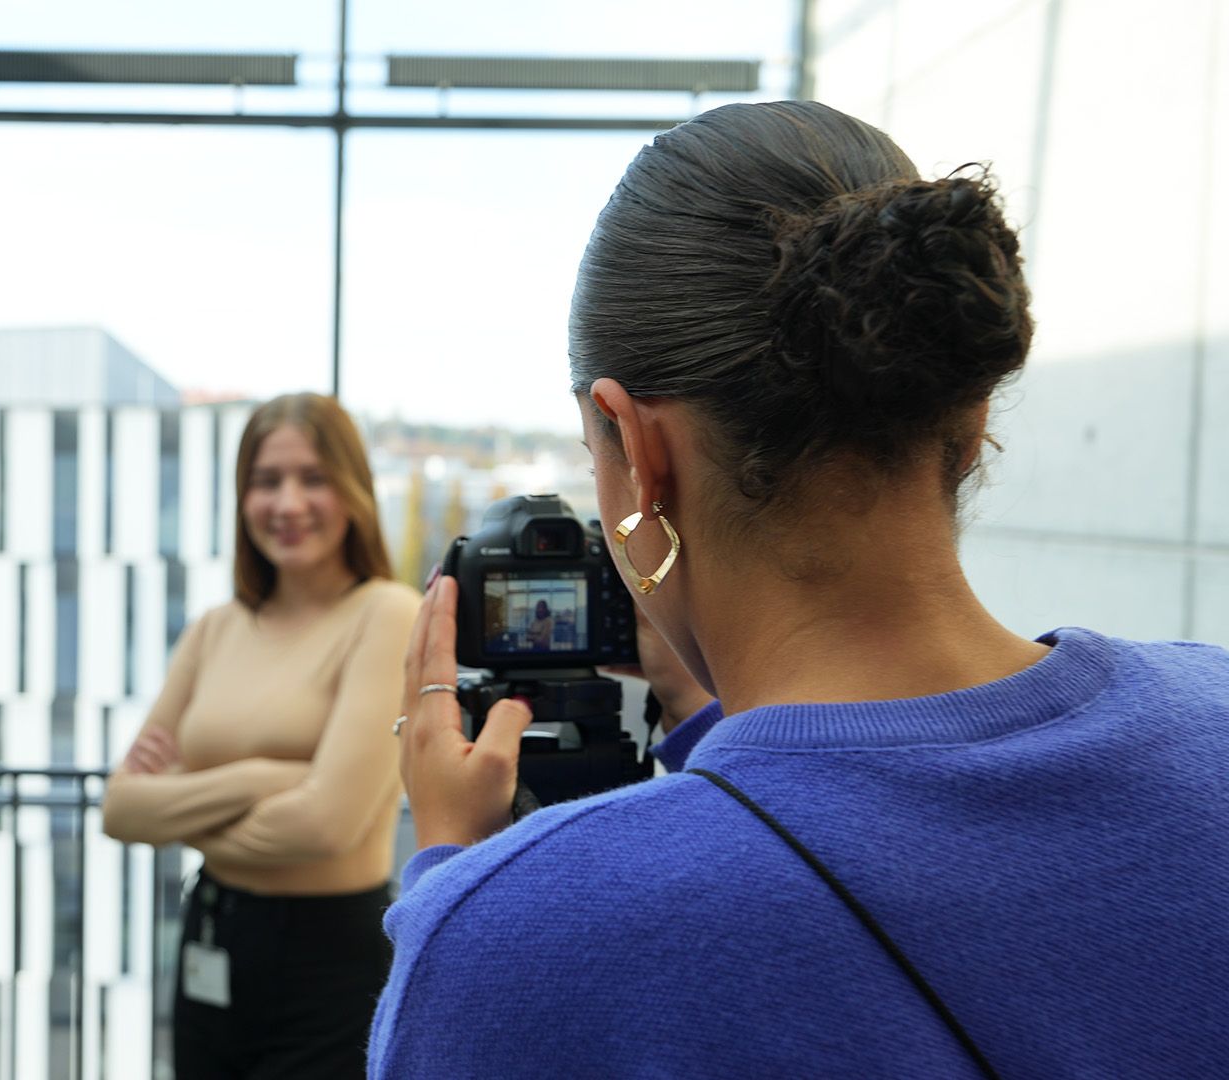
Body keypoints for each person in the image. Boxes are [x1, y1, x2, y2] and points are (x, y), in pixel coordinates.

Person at [371, 100, 1229, 1079]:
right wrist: (702, 715)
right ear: (970, 410)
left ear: (636, 453)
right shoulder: (1216, 719)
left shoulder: (522, 943)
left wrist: (450, 873)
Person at [100, 392, 419, 1079]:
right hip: (213, 935)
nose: (288, 502)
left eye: (313, 478)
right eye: (266, 480)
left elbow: (326, 826)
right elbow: (121, 810)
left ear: (353, 491)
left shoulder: (387, 615)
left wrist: (180, 801)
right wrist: (277, 779)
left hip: (329, 958)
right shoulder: (215, 628)